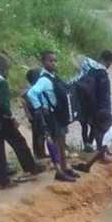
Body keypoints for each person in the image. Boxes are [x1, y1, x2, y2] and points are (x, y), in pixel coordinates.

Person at [0, 56, 43, 190]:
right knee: (20, 143)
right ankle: (32, 169)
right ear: (2, 69)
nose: (7, 73)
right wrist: (12, 119)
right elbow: (3, 105)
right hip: (2, 121)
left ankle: (2, 182)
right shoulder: (1, 83)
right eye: (7, 70)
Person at [26, 51, 77, 182]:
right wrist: (39, 107)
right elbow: (31, 93)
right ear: (44, 62)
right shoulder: (44, 79)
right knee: (54, 143)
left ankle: (64, 168)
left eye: (55, 61)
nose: (53, 63)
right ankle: (59, 171)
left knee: (61, 141)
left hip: (58, 114)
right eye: (50, 61)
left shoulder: (52, 77)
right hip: (51, 115)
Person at [70, 50, 112, 154]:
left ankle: (86, 145)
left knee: (84, 125)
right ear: (108, 61)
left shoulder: (89, 68)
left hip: (85, 103)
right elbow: (105, 94)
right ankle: (92, 146)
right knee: (95, 127)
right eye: (110, 63)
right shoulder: (102, 73)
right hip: (97, 106)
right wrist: (107, 109)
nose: (109, 66)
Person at [22, 68, 46, 160]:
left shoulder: (28, 90)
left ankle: (37, 153)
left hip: (32, 115)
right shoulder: (37, 89)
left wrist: (28, 114)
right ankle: (41, 154)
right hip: (38, 114)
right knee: (41, 135)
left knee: (36, 134)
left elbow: (23, 100)